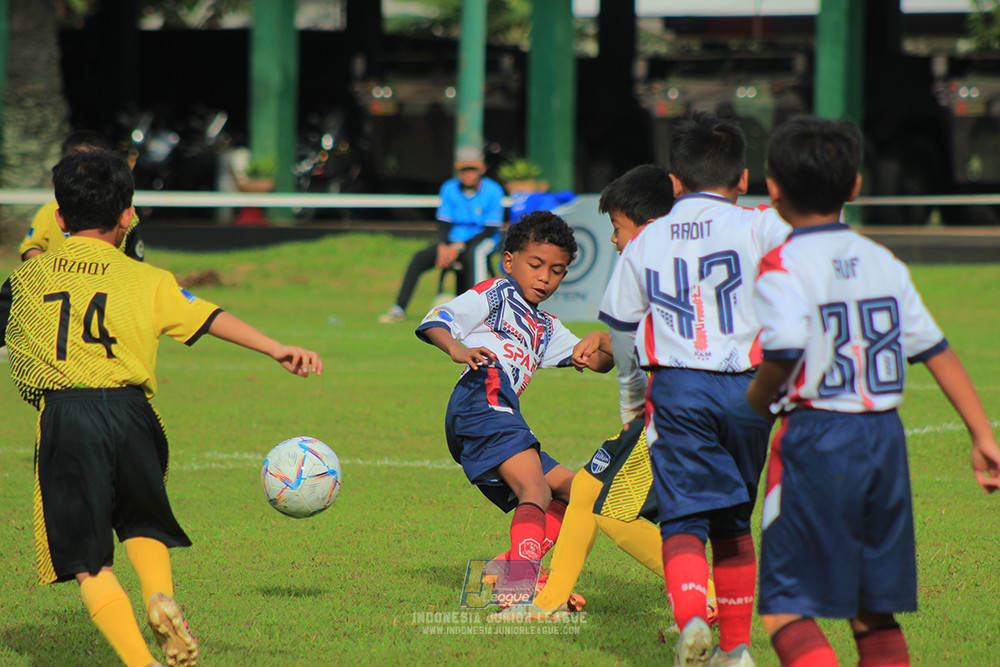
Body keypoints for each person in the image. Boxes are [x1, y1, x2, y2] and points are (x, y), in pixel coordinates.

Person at [0, 150, 323, 667]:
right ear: (127, 216)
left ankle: (142, 663)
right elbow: (207, 315)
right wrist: (275, 348)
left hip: (66, 415)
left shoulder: (26, 279)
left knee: (88, 562)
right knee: (141, 521)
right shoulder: (147, 278)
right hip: (133, 414)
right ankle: (158, 596)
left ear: (59, 218)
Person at [745, 116, 1000, 667]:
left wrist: (756, 400)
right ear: (856, 186)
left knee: (785, 608)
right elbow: (935, 349)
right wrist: (982, 434)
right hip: (884, 441)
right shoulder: (885, 261)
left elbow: (785, 348)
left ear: (774, 189)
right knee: (871, 610)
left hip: (817, 438)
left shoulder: (782, 263)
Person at [598, 112, 791, 667]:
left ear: (674, 182)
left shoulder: (649, 238)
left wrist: (631, 397)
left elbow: (622, 326)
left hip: (680, 388)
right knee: (734, 521)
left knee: (683, 519)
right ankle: (737, 649)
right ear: (744, 178)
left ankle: (691, 620)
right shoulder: (762, 225)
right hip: (751, 390)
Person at [493, 164, 715, 623]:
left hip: (675, 413)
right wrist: (605, 340)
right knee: (585, 490)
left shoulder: (650, 269)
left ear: (646, 226)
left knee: (611, 512)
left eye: (617, 227)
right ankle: (548, 603)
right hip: (685, 408)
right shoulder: (684, 262)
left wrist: (612, 353)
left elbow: (653, 347)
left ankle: (706, 597)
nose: (613, 239)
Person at [416, 210, 613, 602]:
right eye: (535, 265)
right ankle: (521, 584)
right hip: (482, 396)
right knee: (535, 490)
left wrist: (602, 340)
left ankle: (506, 568)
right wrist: (457, 349)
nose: (545, 278)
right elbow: (437, 319)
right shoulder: (498, 293)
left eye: (556, 271)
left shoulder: (546, 326)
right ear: (509, 261)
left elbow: (597, 362)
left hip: (498, 410)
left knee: (580, 493)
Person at [379, 146, 505, 323]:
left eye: (473, 169)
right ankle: (398, 308)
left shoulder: (493, 191)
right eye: (464, 170)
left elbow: (489, 229)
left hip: (482, 240)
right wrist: (443, 247)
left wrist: (458, 247)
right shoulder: (449, 188)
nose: (468, 174)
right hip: (452, 240)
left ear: (482, 169)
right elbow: (444, 224)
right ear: (457, 169)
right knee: (419, 258)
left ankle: (481, 313)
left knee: (474, 255)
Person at [20, 130, 144, 262]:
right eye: (78, 162)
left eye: (95, 163)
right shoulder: (48, 211)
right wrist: (54, 266)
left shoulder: (124, 212)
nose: (87, 171)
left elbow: (134, 259)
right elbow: (31, 248)